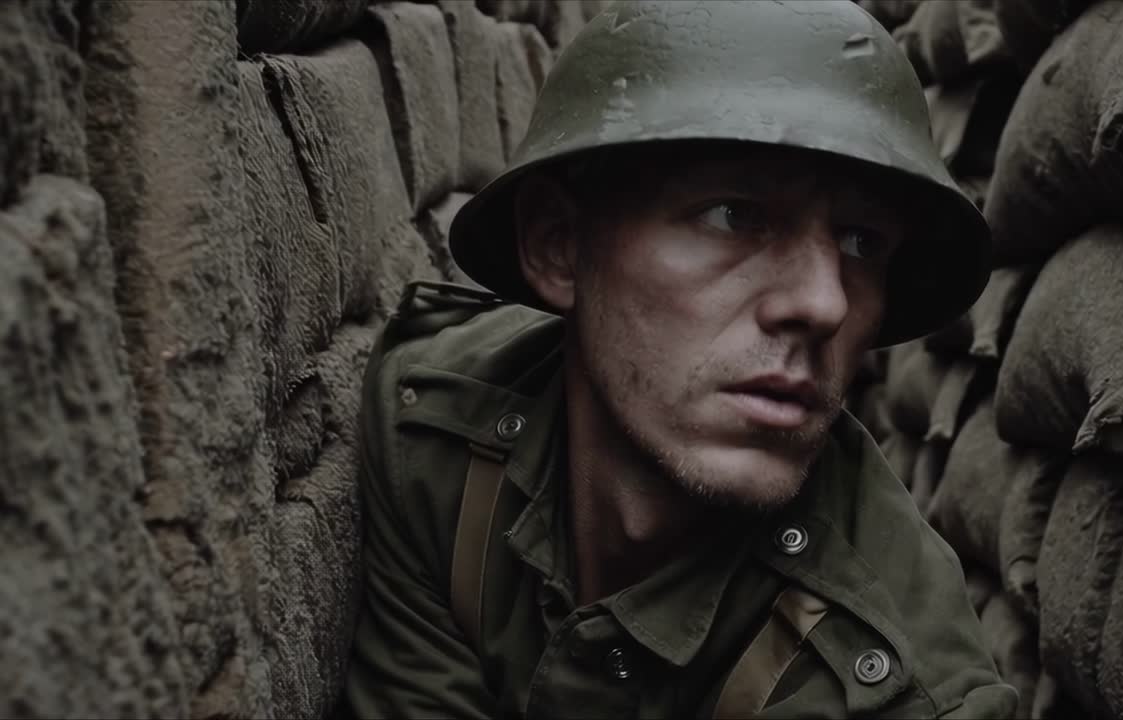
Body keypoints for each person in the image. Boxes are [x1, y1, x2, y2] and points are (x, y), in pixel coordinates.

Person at [344, 1, 1016, 717]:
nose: (826, 303)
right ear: (558, 244)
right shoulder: (437, 437)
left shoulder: (902, 690)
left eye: (861, 243)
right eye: (734, 214)